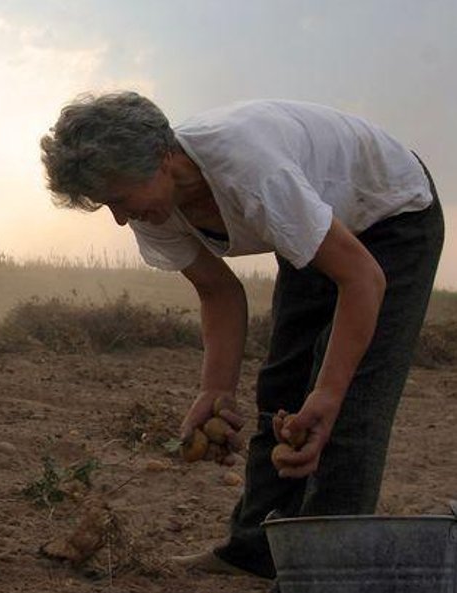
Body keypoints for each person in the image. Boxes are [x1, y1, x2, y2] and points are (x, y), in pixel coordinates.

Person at [40, 93, 444, 582]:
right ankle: (254, 551)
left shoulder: (252, 172)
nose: (121, 219)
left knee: (347, 409)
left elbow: (362, 279)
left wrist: (330, 393)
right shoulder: (157, 204)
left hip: (393, 214)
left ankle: (326, 576)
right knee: (281, 391)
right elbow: (219, 293)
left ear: (164, 159)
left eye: (121, 200)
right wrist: (215, 391)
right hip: (321, 218)